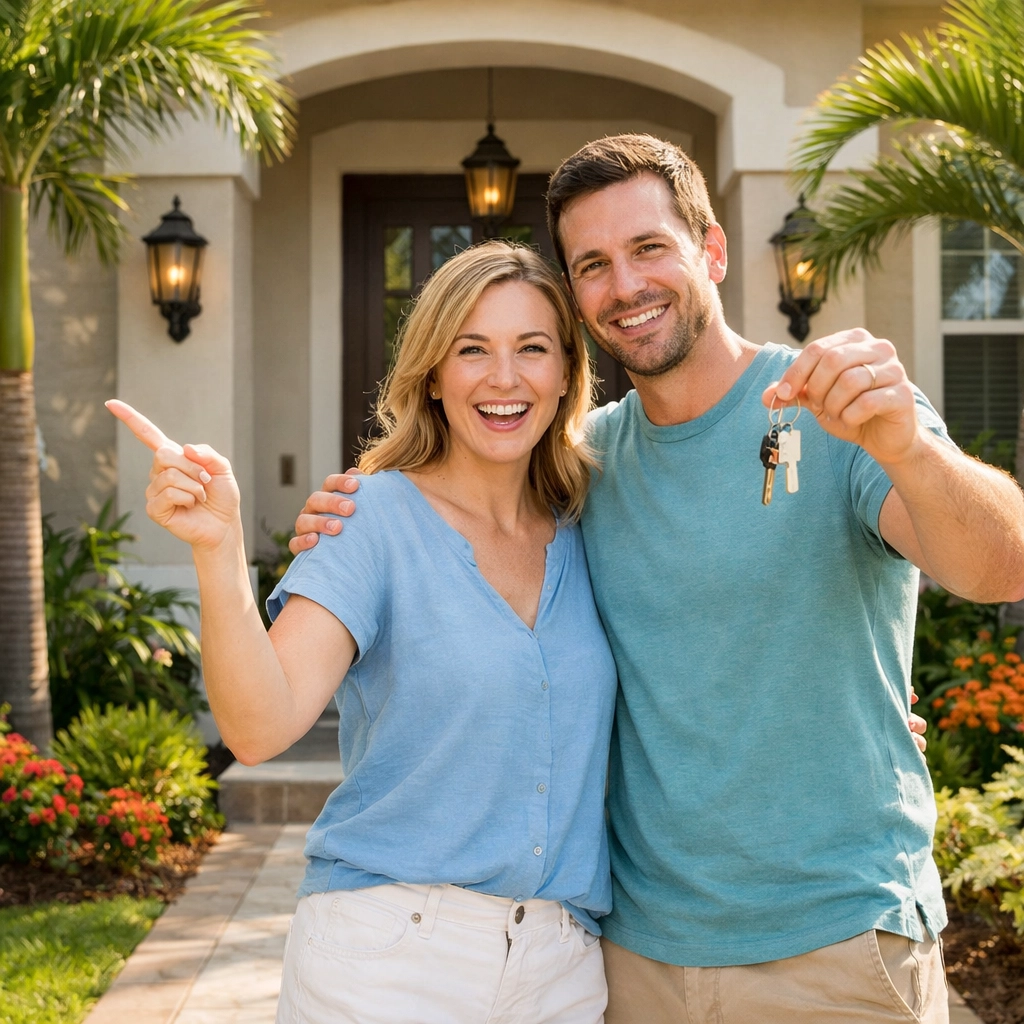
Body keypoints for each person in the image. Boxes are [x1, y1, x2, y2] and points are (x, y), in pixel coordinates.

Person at [292, 134, 1024, 1023]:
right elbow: (470, 547)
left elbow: (1001, 567)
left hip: (832, 945)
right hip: (633, 962)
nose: (624, 286)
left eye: (648, 248)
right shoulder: (580, 467)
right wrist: (355, 516)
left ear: (710, 250)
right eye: (591, 264)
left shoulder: (838, 412)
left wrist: (908, 449)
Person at [107, 242, 616, 1024]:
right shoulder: (371, 519)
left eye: (532, 349)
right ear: (434, 376)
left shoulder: (593, 529)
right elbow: (258, 726)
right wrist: (217, 548)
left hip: (561, 969)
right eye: (471, 349)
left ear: (566, 375)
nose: (504, 377)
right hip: (390, 958)